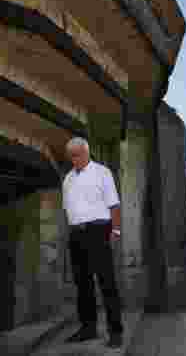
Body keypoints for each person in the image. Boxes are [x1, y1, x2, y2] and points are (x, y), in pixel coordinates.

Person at [60, 137, 124, 347]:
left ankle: (116, 332)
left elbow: (114, 205)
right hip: (76, 234)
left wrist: (115, 231)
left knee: (107, 282)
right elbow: (68, 209)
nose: (74, 159)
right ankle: (88, 328)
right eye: (71, 155)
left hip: (98, 231)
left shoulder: (102, 172)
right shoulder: (68, 179)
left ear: (87, 152)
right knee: (82, 284)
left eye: (77, 154)